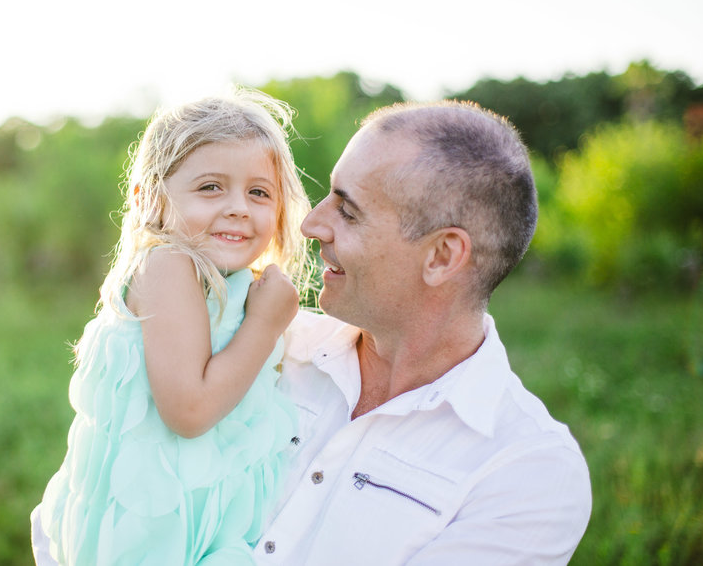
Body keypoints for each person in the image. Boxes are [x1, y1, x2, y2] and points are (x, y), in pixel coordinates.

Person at [252, 101, 592, 564]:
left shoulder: (530, 470)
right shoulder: (267, 347)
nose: (312, 224)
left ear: (442, 256)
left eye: (348, 212)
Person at [31, 88, 311, 565]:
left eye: (258, 192)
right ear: (149, 200)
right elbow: (189, 410)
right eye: (210, 187)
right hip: (148, 541)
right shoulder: (168, 264)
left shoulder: (228, 283)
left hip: (191, 531)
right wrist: (265, 325)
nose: (239, 207)